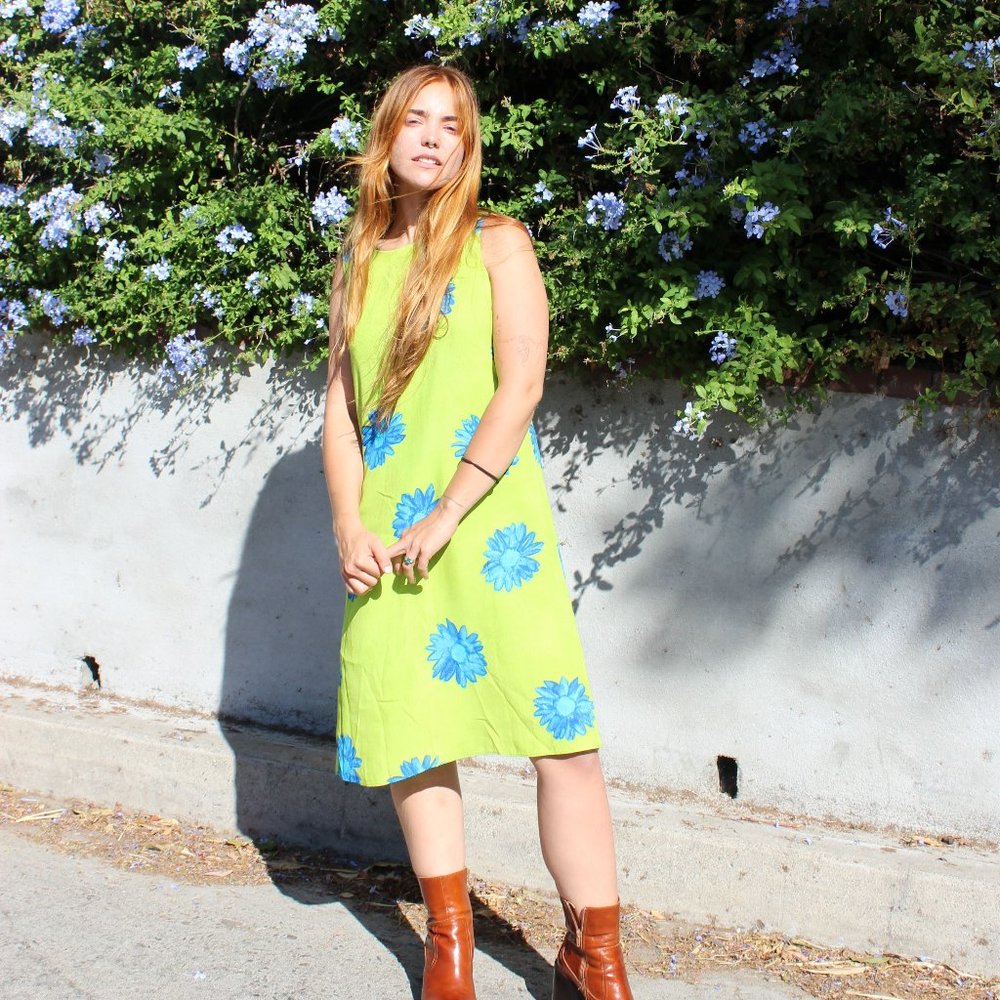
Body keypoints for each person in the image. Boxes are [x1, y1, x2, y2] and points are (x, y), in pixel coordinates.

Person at [322, 64, 633, 1000]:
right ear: (387, 135)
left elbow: (521, 386)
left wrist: (450, 511)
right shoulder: (357, 257)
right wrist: (347, 521)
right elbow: (340, 410)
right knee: (414, 732)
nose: (430, 137)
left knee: (562, 739)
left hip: (491, 525)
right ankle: (448, 944)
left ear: (468, 145)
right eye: (414, 120)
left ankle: (596, 953)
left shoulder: (498, 243)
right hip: (389, 535)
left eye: (449, 126)